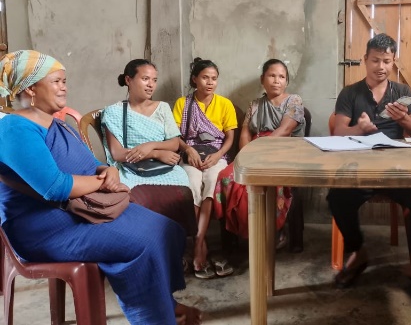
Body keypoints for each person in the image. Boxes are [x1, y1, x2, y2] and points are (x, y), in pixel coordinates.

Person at [0, 50, 201, 325]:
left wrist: (107, 170)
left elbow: (90, 163)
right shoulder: (15, 129)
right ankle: (156, 317)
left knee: (167, 229)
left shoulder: (57, 124)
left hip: (81, 210)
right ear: (31, 88)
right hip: (45, 227)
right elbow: (56, 187)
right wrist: (103, 181)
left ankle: (165, 303)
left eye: (64, 81)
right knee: (143, 243)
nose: (64, 87)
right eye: (56, 81)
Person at [327, 33, 411, 294]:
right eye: (375, 60)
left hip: (397, 169)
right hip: (359, 167)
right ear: (365, 59)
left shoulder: (402, 92)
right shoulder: (350, 92)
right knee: (337, 198)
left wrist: (404, 120)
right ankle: (359, 252)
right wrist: (360, 129)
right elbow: (339, 131)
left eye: (386, 61)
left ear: (393, 61)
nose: (381, 67)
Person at [213, 59, 305, 248]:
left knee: (266, 180)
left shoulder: (294, 101)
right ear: (263, 79)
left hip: (282, 151)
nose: (277, 80)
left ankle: (271, 233)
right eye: (272, 75)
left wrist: (260, 150)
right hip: (253, 151)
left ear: (286, 81)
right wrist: (247, 156)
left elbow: (285, 130)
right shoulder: (254, 105)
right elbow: (245, 133)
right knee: (226, 177)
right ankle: (239, 235)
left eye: (282, 77)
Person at [102, 60, 195, 235]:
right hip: (130, 169)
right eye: (145, 79)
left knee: (182, 185)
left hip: (164, 167)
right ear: (128, 80)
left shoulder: (162, 108)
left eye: (154, 80)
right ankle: (146, 239)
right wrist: (156, 153)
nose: (151, 84)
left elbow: (174, 143)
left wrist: (151, 145)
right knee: (132, 195)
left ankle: (177, 238)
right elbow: (117, 153)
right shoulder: (114, 112)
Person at [173, 58, 237, 279]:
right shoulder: (183, 103)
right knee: (191, 183)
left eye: (214, 78)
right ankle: (200, 242)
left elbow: (230, 138)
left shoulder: (225, 104)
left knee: (212, 182)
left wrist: (217, 155)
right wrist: (188, 150)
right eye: (205, 78)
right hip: (190, 153)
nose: (210, 83)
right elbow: (175, 136)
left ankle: (199, 241)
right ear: (194, 79)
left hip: (216, 154)